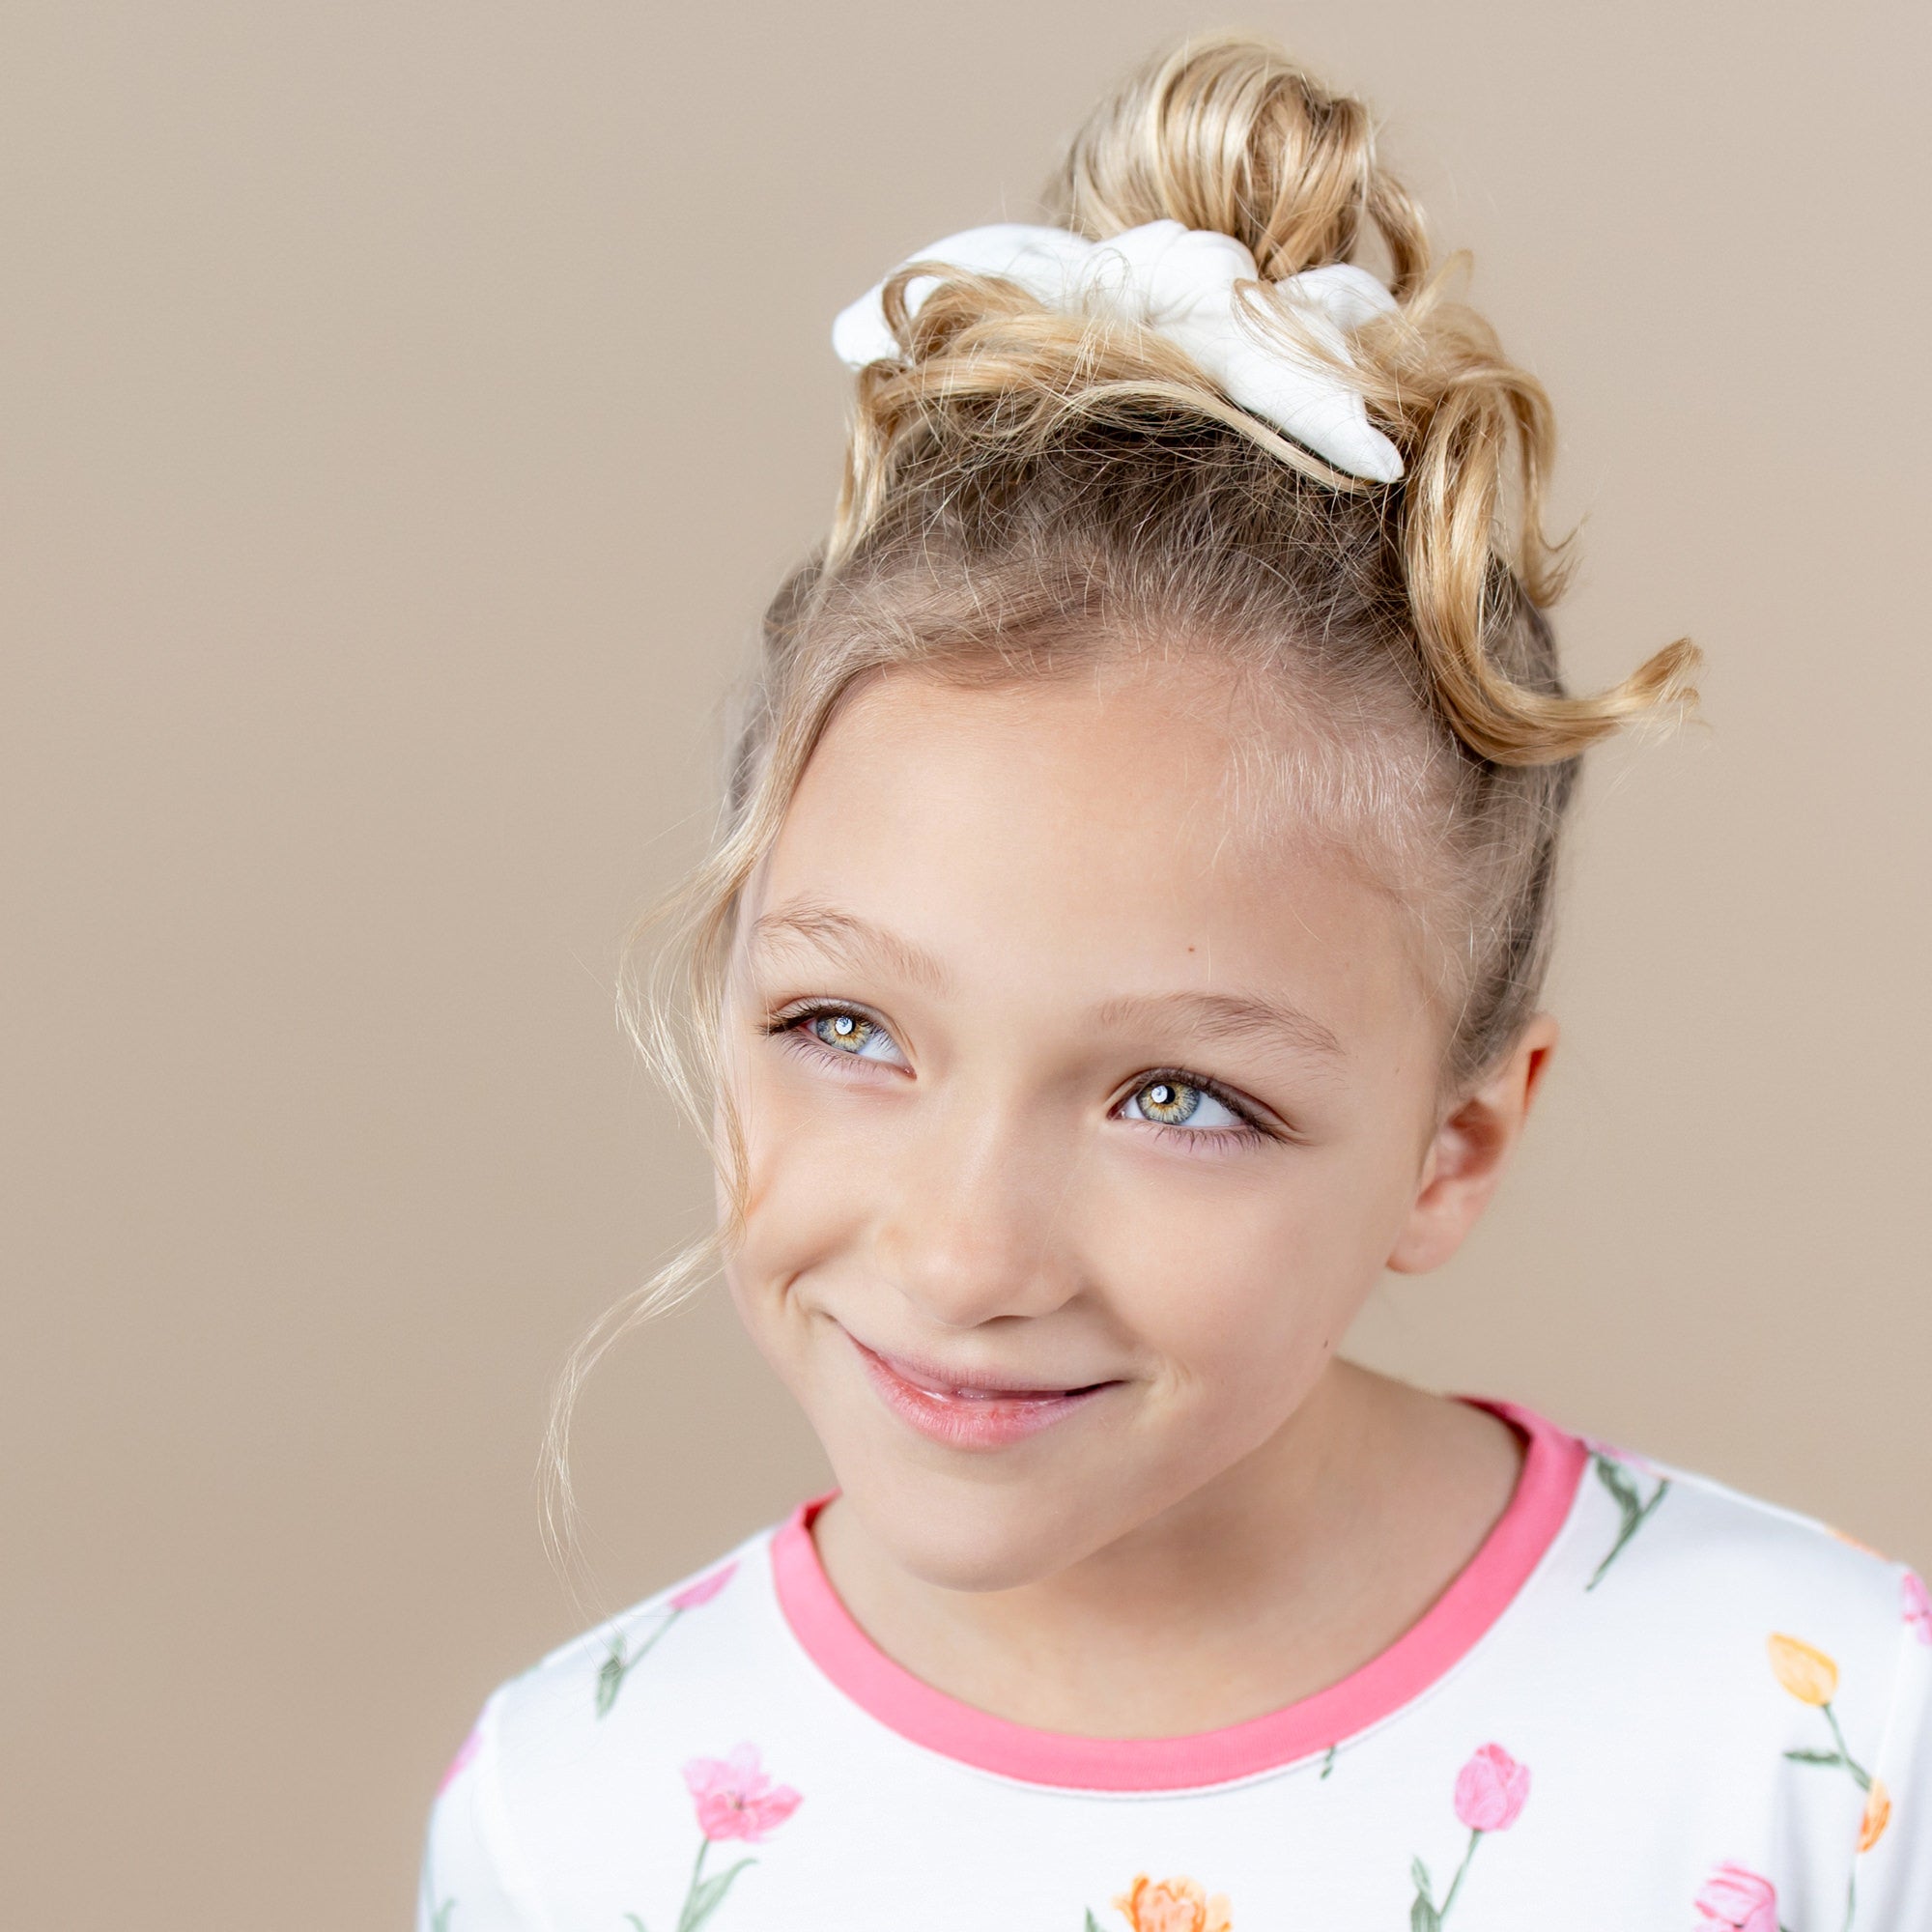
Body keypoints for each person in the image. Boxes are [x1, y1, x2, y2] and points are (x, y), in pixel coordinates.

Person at [417, 34, 1930, 1930]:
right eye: (847, 1027)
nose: (968, 1254)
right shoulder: (582, 1822)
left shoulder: (1828, 1750)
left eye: (1180, 1098)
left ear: (1452, 1147)